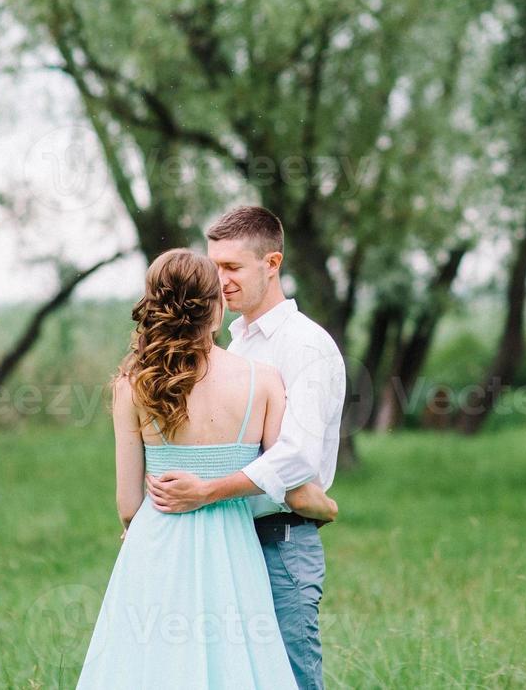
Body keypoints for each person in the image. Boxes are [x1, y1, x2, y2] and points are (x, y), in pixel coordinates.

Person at [76, 248, 336, 689]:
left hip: (156, 541)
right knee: (234, 661)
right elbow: (285, 481)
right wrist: (325, 507)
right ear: (214, 307)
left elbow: (127, 503)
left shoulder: (131, 387)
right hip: (234, 544)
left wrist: (136, 527)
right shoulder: (264, 380)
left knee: (154, 665)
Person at [146, 206, 346, 690]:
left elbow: (296, 457)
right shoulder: (237, 346)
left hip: (281, 542)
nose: (219, 281)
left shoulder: (304, 347)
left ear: (271, 263)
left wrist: (207, 491)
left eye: (232, 268)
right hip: (229, 542)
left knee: (292, 679)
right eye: (214, 267)